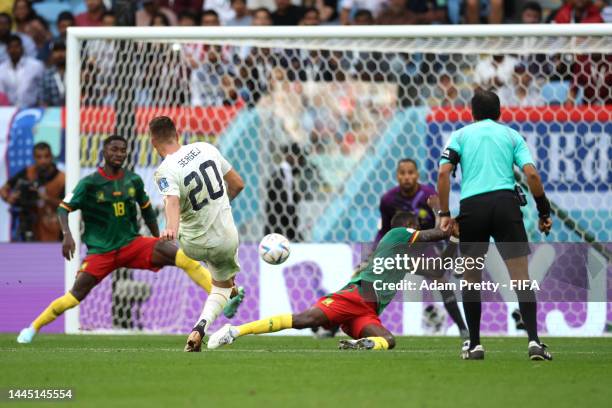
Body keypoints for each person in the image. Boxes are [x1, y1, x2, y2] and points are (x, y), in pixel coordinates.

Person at [16, 135, 244, 344]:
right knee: (74, 297)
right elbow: (63, 209)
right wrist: (67, 236)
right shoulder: (89, 183)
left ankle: (228, 296)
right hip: (101, 252)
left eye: (123, 150)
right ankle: (32, 328)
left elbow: (146, 211)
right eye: (114, 150)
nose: (119, 154)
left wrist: (158, 237)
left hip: (131, 244)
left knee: (184, 258)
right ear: (104, 152)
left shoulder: (133, 180)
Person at [207, 211, 456, 350]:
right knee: (305, 320)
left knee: (388, 341)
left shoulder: (403, 261)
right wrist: (447, 224)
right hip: (357, 295)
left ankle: (358, 345)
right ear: (410, 227)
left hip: (366, 310)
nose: (417, 233)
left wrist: (453, 240)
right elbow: (435, 235)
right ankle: (234, 331)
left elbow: (438, 270)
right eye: (415, 228)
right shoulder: (397, 233)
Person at [437, 89, 553, 361]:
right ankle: (534, 342)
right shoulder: (512, 136)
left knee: (471, 278)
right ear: (500, 112)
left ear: (472, 113)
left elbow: (443, 172)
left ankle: (475, 345)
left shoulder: (460, 135)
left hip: (473, 209)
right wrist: (543, 209)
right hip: (506, 207)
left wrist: (444, 212)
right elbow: (532, 175)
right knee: (521, 279)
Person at [149, 116, 246, 352]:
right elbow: (238, 184)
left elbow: (171, 200)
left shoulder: (164, 170)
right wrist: (219, 204)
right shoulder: (206, 148)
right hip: (225, 238)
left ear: (153, 142)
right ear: (177, 133)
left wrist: (171, 227)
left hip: (191, 244)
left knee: (210, 270)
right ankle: (207, 319)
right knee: (223, 286)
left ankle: (199, 328)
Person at [375, 159, 468, 339]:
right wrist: (375, 251)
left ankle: (463, 328)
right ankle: (357, 322)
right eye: (403, 173)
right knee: (375, 282)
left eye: (410, 173)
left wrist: (439, 212)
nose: (407, 177)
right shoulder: (388, 200)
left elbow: (444, 222)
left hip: (424, 246)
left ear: (417, 175)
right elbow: (384, 230)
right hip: (398, 250)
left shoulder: (429, 195)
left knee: (440, 279)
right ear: (397, 176)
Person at [0, 142, 64, 242]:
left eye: (46, 156)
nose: (43, 161)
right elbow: (4, 189)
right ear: (34, 158)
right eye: (39, 157)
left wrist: (46, 198)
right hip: (30, 224)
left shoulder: (62, 179)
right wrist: (9, 198)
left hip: (54, 228)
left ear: (51, 157)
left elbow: (68, 205)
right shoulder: (28, 172)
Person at [0, 34, 43, 107]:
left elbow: (42, 88)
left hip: (32, 108)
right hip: (8, 111)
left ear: (22, 48)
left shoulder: (36, 66)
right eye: (10, 47)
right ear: (7, 50)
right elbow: (2, 93)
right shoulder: (1, 69)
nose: (13, 50)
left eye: (16, 47)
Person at [39, 40, 65, 106]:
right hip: (53, 114)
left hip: (75, 112)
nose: (60, 54)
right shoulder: (46, 75)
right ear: (51, 54)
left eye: (63, 50)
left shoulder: (76, 73)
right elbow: (43, 100)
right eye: (56, 51)